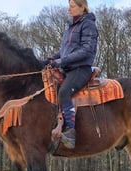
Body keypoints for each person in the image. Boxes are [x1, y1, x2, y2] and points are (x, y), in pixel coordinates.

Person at [44, 0, 98, 149]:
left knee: (64, 91)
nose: (69, 9)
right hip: (68, 68)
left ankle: (70, 132)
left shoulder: (88, 25)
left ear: (83, 7)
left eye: (73, 6)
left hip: (81, 68)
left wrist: (61, 61)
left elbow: (86, 50)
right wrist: (50, 60)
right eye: (69, 6)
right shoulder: (70, 27)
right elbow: (63, 51)